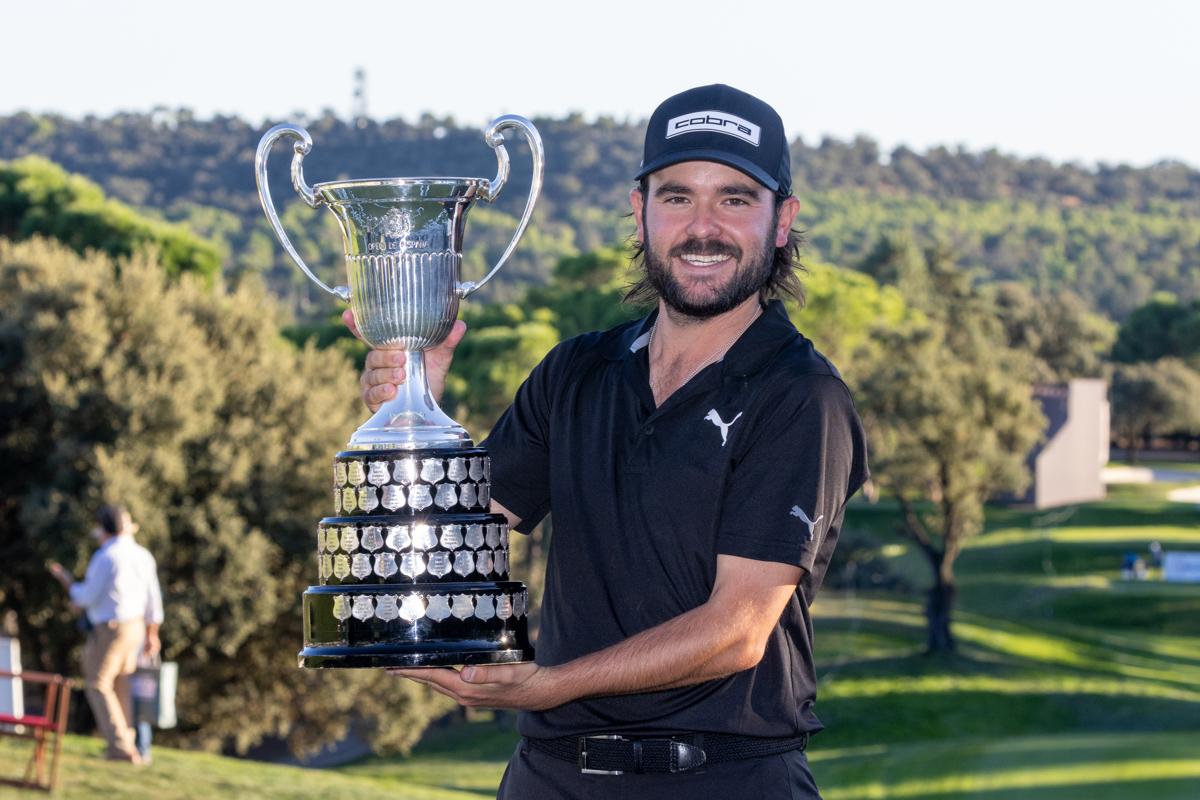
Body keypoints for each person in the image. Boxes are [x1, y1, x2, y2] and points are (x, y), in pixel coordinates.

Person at [352, 84, 868, 798]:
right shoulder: (576, 373)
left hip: (724, 780)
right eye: (678, 196)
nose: (704, 226)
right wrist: (415, 410)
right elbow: (452, 554)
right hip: (551, 777)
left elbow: (737, 629)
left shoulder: (800, 396)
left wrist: (550, 685)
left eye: (736, 199)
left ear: (782, 221)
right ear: (641, 211)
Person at [49, 505, 164, 765]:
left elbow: (85, 597)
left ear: (104, 530)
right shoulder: (142, 555)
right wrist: (151, 633)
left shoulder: (106, 557)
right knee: (122, 683)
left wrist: (67, 583)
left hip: (111, 629)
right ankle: (129, 741)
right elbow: (153, 600)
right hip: (135, 627)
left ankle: (122, 748)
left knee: (98, 683)